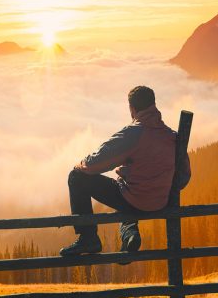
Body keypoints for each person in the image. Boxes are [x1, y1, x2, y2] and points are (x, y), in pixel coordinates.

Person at [59, 85, 185, 257]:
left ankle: (88, 238)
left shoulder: (133, 133)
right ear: (154, 105)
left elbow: (96, 162)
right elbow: (185, 175)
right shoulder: (172, 136)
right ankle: (129, 235)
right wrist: (158, 188)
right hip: (161, 201)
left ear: (132, 109)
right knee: (124, 186)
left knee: (77, 177)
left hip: (135, 200)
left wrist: (80, 165)